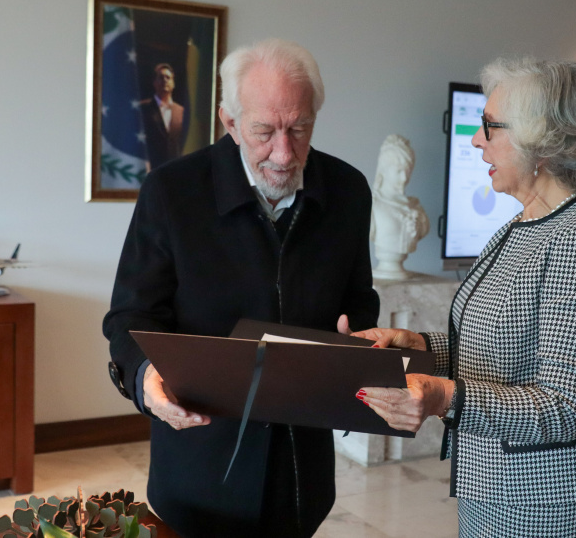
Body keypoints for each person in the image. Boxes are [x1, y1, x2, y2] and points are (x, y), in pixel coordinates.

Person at [104, 39, 380, 537]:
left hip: (302, 466)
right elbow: (129, 315)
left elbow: (359, 297)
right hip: (199, 464)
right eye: (264, 131)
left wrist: (356, 341)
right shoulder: (172, 192)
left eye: (300, 129)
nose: (284, 152)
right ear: (229, 122)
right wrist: (146, 378)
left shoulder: (348, 190)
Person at [353, 57, 576, 537]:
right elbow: (494, 348)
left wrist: (443, 396)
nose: (476, 140)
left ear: (541, 141)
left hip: (545, 496)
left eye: (489, 126)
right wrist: (414, 345)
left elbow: (566, 405)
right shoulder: (521, 225)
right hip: (492, 480)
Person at [370, 134, 430, 279]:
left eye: (407, 171)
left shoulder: (416, 209)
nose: (404, 178)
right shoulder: (372, 207)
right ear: (383, 170)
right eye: (398, 171)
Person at [140, 63, 184, 170]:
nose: (164, 80)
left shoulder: (182, 111)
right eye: (160, 77)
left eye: (168, 77)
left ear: (173, 83)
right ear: (154, 82)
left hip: (175, 170)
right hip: (150, 169)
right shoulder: (143, 108)